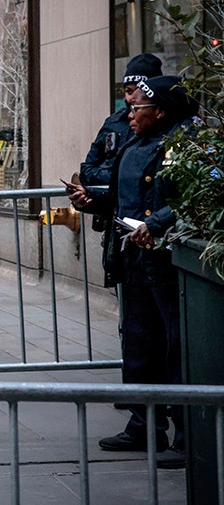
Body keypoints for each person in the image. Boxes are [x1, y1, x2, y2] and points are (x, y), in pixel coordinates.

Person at [67, 75, 198, 470]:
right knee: (140, 344)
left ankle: (185, 433)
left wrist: (155, 224)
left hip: (166, 260)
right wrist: (93, 200)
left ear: (159, 111)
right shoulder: (135, 141)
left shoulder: (185, 144)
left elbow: (190, 198)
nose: (129, 111)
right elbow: (127, 197)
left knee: (174, 346)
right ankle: (144, 424)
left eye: (137, 106)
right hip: (135, 259)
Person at [80, 53, 163, 189]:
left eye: (140, 92)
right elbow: (87, 170)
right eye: (129, 91)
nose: (133, 98)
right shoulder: (113, 123)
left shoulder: (168, 127)